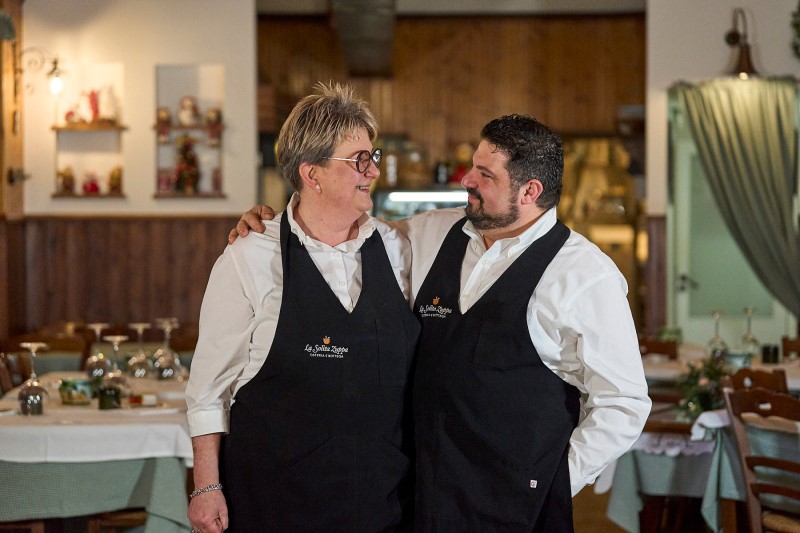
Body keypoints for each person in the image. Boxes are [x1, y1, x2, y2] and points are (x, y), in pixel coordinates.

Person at [232, 114, 651, 531]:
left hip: (517, 513)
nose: (467, 180)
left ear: (530, 191)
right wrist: (272, 226)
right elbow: (337, 231)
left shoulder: (585, 275)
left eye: (485, 174)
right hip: (422, 500)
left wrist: (555, 483)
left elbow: (624, 402)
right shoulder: (433, 233)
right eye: (473, 166)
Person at [186, 82, 419, 533]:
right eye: (359, 160)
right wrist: (205, 486)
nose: (373, 171)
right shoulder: (250, 256)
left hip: (379, 504)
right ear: (312, 175)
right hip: (274, 503)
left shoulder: (400, 248)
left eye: (373, 156)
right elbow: (209, 389)